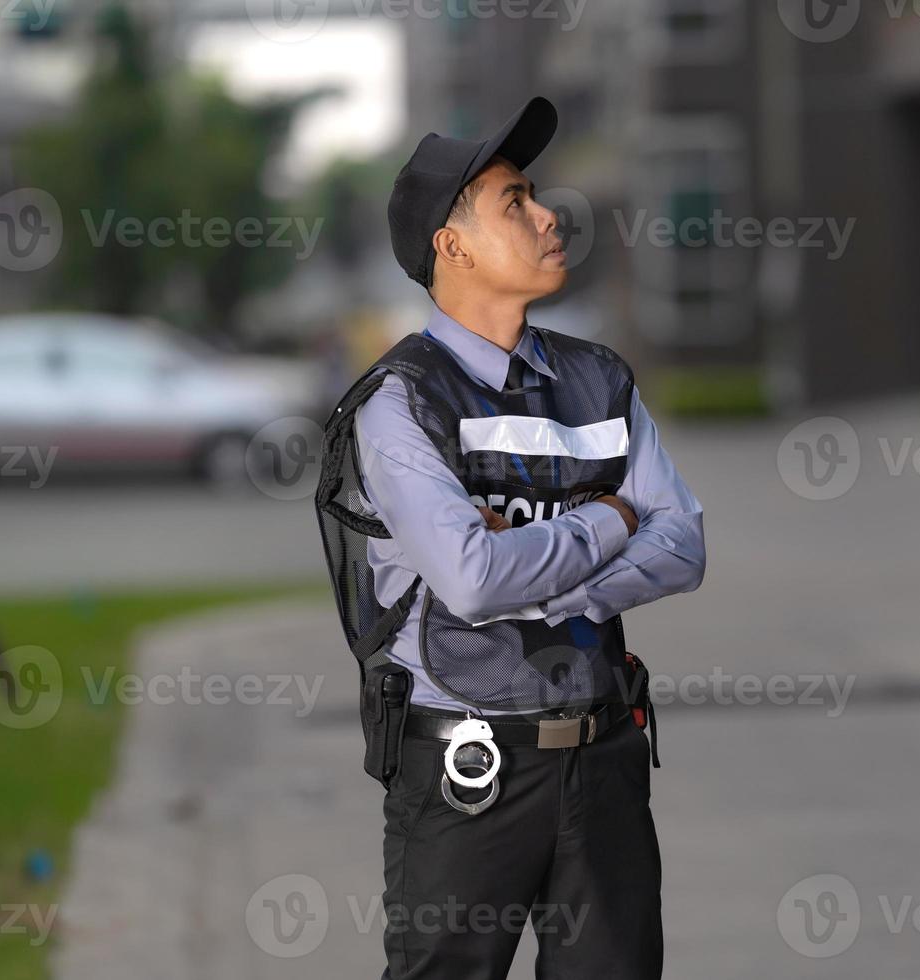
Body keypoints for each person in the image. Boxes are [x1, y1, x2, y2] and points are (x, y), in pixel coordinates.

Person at [312, 96, 706, 979]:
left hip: (604, 760)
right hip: (467, 773)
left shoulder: (598, 379)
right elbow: (474, 580)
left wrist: (553, 577)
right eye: (514, 202)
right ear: (450, 247)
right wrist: (611, 518)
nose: (547, 215)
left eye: (536, 195)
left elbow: (684, 542)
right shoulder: (399, 403)